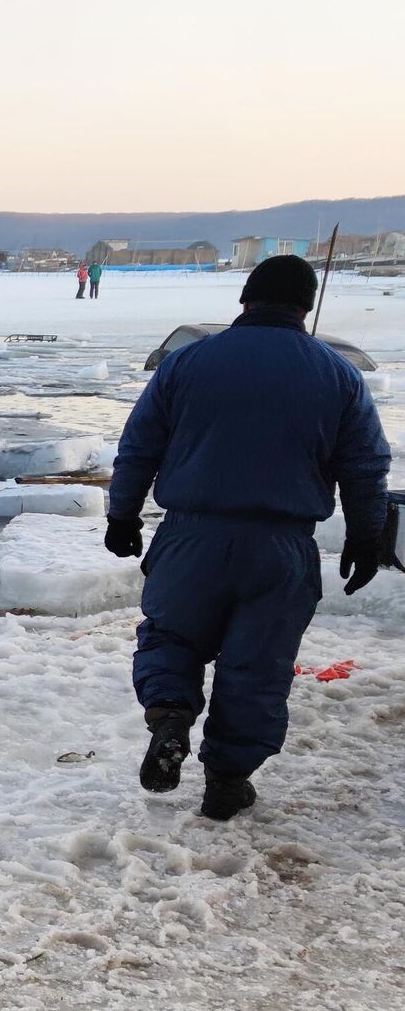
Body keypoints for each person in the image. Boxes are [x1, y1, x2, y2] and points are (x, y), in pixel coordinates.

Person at [106, 255, 390, 821]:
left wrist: (123, 516)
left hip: (191, 538)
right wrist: (366, 535)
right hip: (280, 547)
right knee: (257, 665)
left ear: (244, 298)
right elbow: (364, 467)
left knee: (172, 637)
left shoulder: (185, 364)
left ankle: (168, 718)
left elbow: (139, 447)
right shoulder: (336, 374)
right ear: (306, 306)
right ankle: (227, 783)